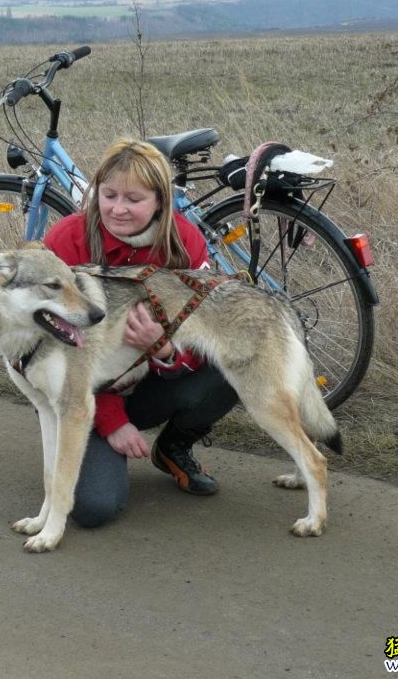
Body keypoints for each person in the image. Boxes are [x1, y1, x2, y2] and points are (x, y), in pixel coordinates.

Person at [42, 138, 239, 528]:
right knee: (94, 509)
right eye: (108, 194)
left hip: (153, 383)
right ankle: (89, 442)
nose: (117, 209)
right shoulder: (66, 240)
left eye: (133, 199)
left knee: (234, 363)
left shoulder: (185, 242)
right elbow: (50, 350)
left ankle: (173, 447)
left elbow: (210, 332)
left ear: (160, 202)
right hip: (82, 393)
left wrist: (164, 349)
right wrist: (111, 421)